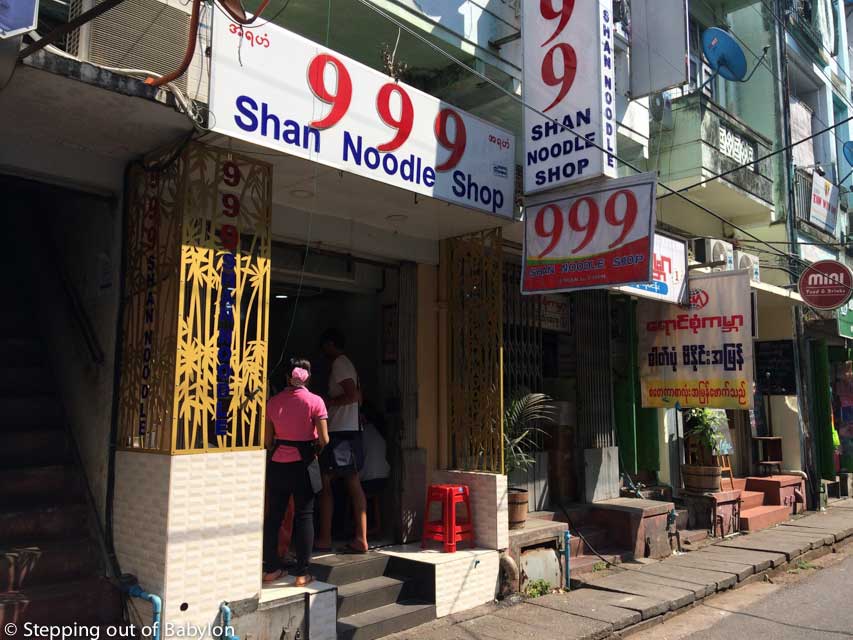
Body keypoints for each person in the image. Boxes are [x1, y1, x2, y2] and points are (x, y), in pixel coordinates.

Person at [263, 359, 329, 585]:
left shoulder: (272, 402)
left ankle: (271, 569)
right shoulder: (315, 402)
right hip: (304, 464)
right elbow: (324, 438)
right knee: (304, 515)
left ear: (286, 378)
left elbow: (267, 440)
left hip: (278, 464)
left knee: (274, 517)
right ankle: (302, 573)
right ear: (307, 377)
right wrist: (313, 449)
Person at [315, 328, 368, 553]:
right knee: (353, 484)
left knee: (326, 484)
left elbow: (353, 395)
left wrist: (329, 401)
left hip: (340, 434)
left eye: (324, 346)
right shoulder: (349, 364)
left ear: (330, 344)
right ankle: (360, 538)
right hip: (351, 432)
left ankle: (325, 538)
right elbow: (360, 397)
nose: (323, 350)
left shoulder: (339, 364)